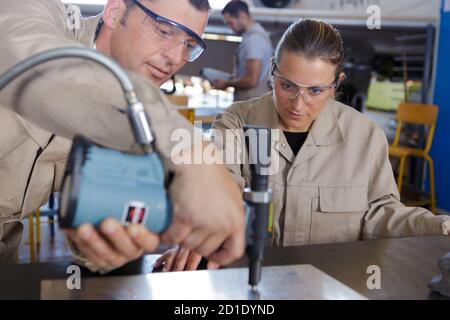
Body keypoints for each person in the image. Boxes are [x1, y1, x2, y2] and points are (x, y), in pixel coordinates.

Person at [155, 18, 450, 272]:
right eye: (287, 86)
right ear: (272, 71)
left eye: (316, 91)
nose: (298, 104)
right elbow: (220, 190)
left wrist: (441, 227)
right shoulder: (237, 122)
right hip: (247, 284)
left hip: (335, 284)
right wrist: (200, 238)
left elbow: (382, 215)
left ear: (337, 83)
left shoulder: (366, 137)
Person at [0, 0, 246, 272]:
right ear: (115, 11)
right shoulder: (34, 11)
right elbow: (26, 60)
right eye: (164, 31)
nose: (176, 59)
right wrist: (189, 149)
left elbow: (95, 235)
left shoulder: (129, 133)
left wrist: (108, 244)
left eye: (189, 45)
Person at [212, 0, 272, 101]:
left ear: (242, 16)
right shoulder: (253, 37)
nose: (230, 28)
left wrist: (226, 83)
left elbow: (251, 80)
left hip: (252, 104)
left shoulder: (254, 39)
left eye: (230, 23)